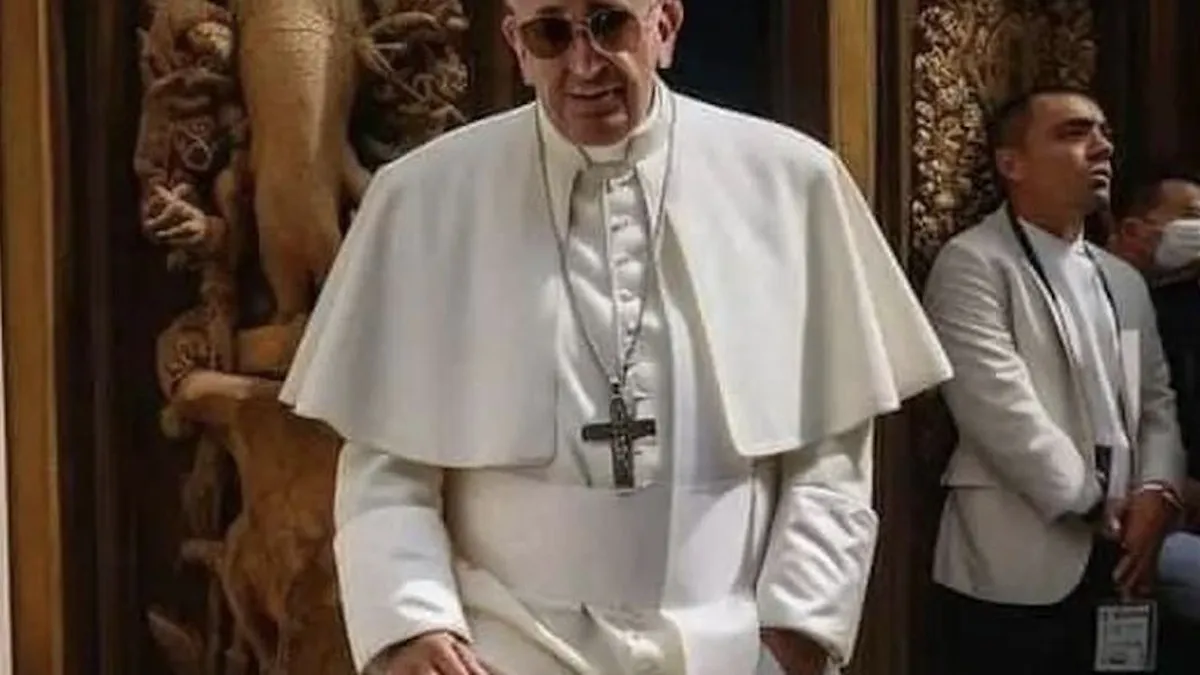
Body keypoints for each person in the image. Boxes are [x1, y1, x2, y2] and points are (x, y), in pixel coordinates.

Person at [280, 1, 952, 673]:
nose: (584, 63)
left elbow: (831, 454)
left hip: (731, 648)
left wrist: (799, 626)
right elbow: (386, 460)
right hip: (505, 648)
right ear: (518, 47)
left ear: (665, 27)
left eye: (610, 24)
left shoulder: (792, 183)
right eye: (551, 33)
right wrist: (411, 622)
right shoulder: (425, 196)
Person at [922, 88, 1187, 675]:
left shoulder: (1122, 278)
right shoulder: (974, 262)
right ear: (1011, 163)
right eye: (1073, 133)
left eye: (1104, 132)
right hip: (1016, 565)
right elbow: (997, 408)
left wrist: (1158, 492)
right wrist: (1100, 507)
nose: (1102, 146)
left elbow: (1156, 403)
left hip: (1124, 556)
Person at [1107, 166, 1200, 660]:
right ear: (1132, 230)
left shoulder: (1182, 305)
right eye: (1191, 217)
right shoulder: (1102, 299)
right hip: (1116, 517)